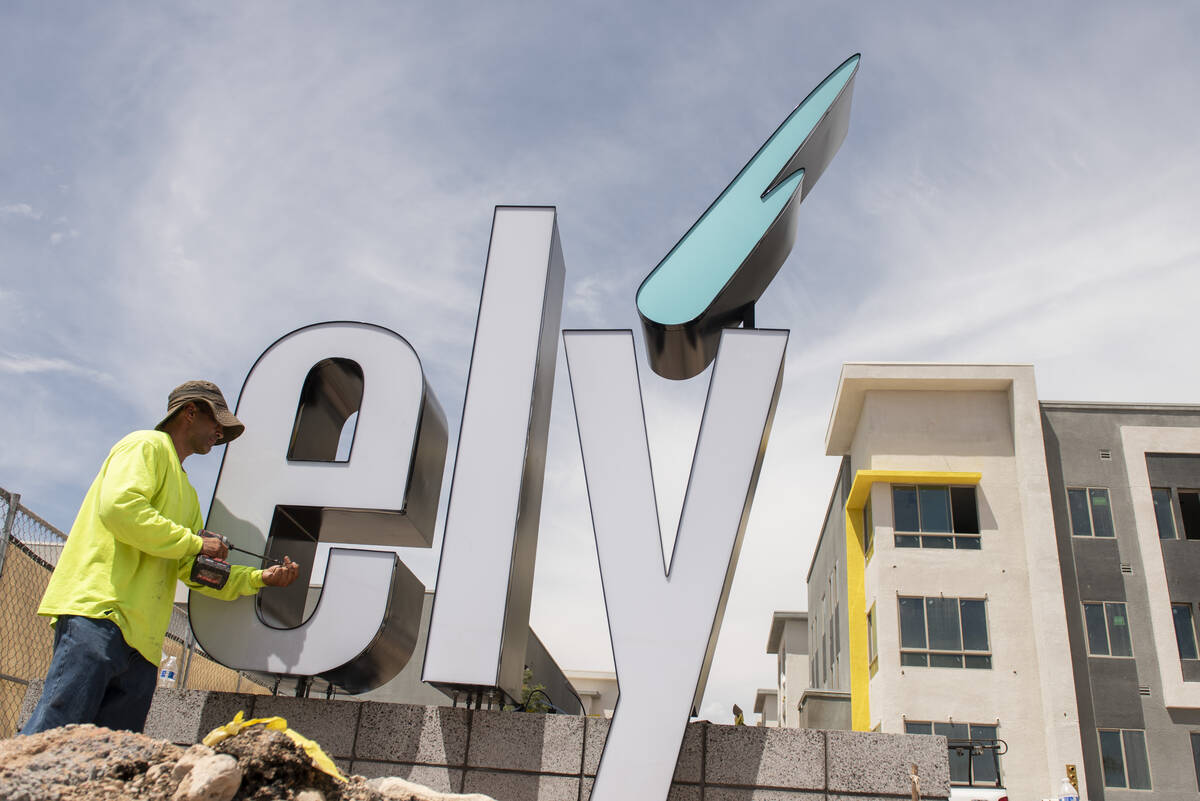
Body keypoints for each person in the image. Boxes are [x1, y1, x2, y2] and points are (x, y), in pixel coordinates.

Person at [22, 380, 300, 734]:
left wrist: (262, 578)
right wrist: (196, 543)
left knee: (114, 757)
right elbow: (120, 509)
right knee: (54, 733)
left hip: (145, 644)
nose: (219, 433)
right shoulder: (146, 445)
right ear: (189, 412)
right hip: (98, 613)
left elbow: (194, 569)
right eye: (216, 422)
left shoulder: (188, 494)